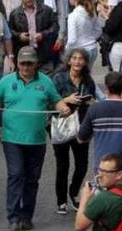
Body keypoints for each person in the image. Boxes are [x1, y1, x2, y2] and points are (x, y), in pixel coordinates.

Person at [0, 45, 72, 230]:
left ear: (36, 64)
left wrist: (63, 108)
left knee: (32, 179)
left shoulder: (46, 82)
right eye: (22, 63)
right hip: (11, 139)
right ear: (17, 63)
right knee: (16, 174)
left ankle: (26, 216)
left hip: (37, 139)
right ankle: (13, 217)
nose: (25, 67)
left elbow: (56, 100)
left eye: (29, 63)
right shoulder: (7, 81)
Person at [53, 48, 101, 214]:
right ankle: (61, 201)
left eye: (81, 59)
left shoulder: (88, 81)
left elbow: (93, 101)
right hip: (62, 125)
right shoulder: (59, 78)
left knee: (82, 165)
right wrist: (66, 100)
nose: (78, 61)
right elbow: (50, 100)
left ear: (85, 62)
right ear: (68, 61)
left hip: (82, 126)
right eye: (74, 58)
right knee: (62, 165)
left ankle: (73, 193)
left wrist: (92, 103)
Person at [75, 152, 122, 231]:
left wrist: (84, 199)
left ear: (119, 175)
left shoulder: (103, 199)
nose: (99, 175)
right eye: (99, 170)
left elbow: (79, 226)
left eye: (105, 172)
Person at [67, 0, 105, 67]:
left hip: (80, 52)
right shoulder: (91, 12)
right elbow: (99, 30)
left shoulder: (73, 16)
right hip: (92, 48)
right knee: (87, 74)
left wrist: (67, 51)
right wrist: (90, 39)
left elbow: (72, 39)